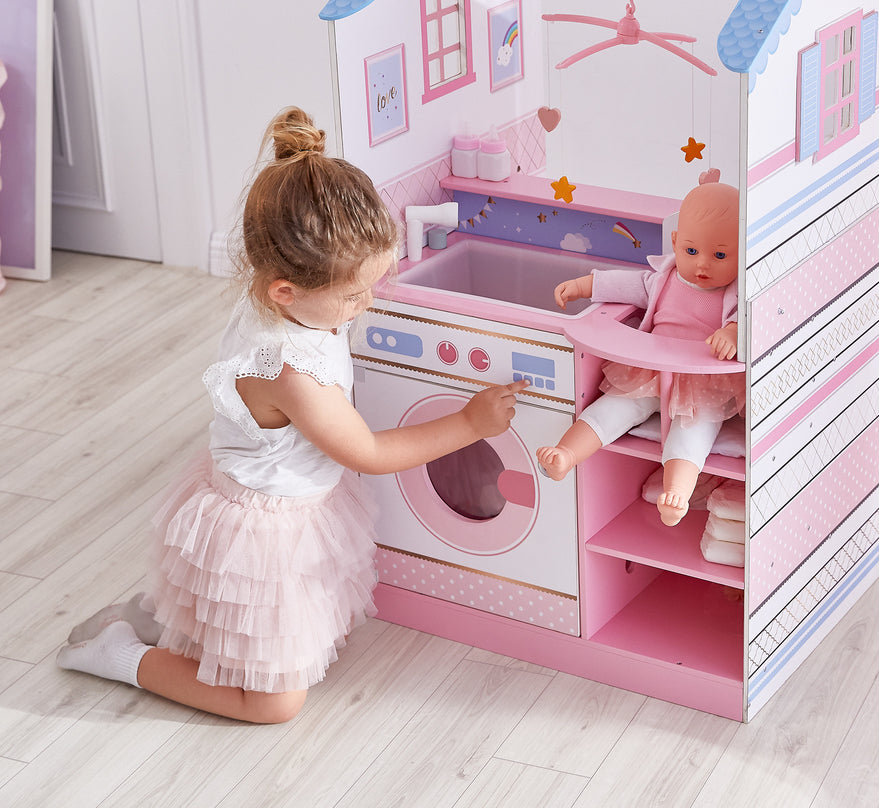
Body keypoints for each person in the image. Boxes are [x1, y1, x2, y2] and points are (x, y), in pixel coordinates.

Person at [57, 106, 527, 723]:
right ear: (286, 290)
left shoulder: (280, 300)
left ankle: (174, 618)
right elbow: (368, 453)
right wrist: (469, 424)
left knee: (307, 623)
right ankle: (120, 656)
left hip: (289, 501)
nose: (367, 303)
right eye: (356, 294)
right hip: (263, 527)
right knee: (274, 704)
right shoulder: (288, 368)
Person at [536, 170, 744, 527]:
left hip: (701, 382)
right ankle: (567, 453)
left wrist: (733, 333)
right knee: (613, 408)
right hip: (650, 370)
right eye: (691, 251)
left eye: (720, 255)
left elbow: (749, 320)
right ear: (676, 242)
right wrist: (582, 285)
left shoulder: (734, 293)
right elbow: (624, 284)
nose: (702, 264)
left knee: (692, 433)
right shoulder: (662, 279)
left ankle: (676, 492)